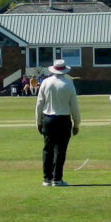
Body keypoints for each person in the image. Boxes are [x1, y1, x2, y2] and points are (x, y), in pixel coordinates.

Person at [35, 59, 81, 187]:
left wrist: (38, 121)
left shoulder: (45, 82)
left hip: (48, 119)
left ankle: (47, 179)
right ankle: (57, 179)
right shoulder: (69, 83)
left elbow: (39, 104)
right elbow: (74, 106)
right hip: (64, 120)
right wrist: (76, 123)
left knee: (47, 150)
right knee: (60, 150)